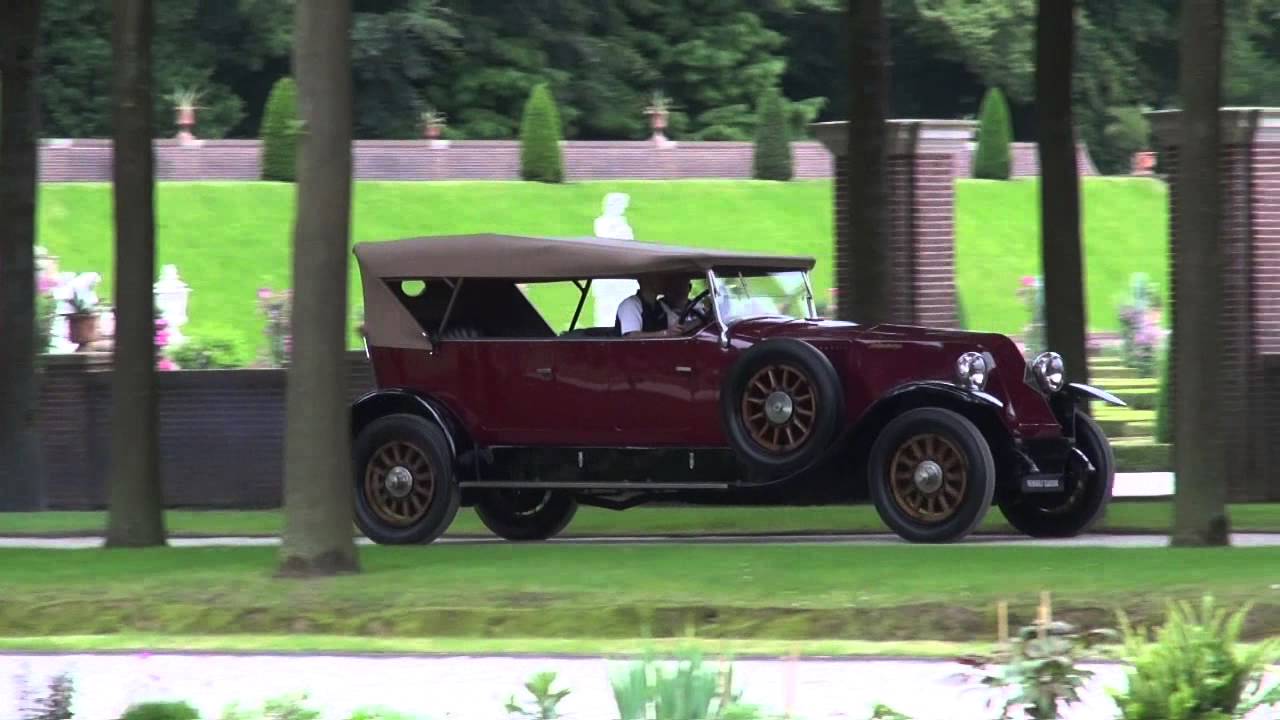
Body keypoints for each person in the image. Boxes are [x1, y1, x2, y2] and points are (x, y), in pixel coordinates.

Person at [615, 273, 690, 337]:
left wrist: (699, 322)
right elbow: (631, 336)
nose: (665, 281)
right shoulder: (631, 304)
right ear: (645, 279)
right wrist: (665, 333)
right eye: (659, 276)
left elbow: (680, 325)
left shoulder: (660, 306)